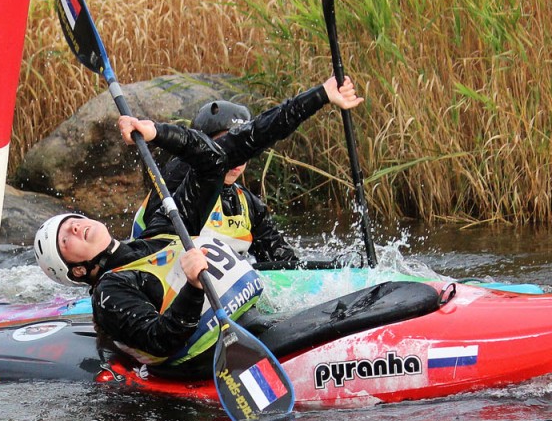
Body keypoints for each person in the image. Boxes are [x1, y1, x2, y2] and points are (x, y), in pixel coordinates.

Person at [34, 76, 362, 370]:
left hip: (260, 321)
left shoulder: (166, 228)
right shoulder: (110, 292)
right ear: (78, 270)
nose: (74, 227)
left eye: (72, 221)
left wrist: (157, 132)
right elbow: (160, 339)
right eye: (65, 239)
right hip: (218, 357)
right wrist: (192, 287)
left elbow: (214, 160)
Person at [131, 84, 357, 268]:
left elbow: (285, 266)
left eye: (242, 151)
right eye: (227, 146)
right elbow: (254, 135)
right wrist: (320, 95)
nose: (237, 158)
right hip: (152, 280)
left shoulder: (248, 205)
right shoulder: (178, 175)